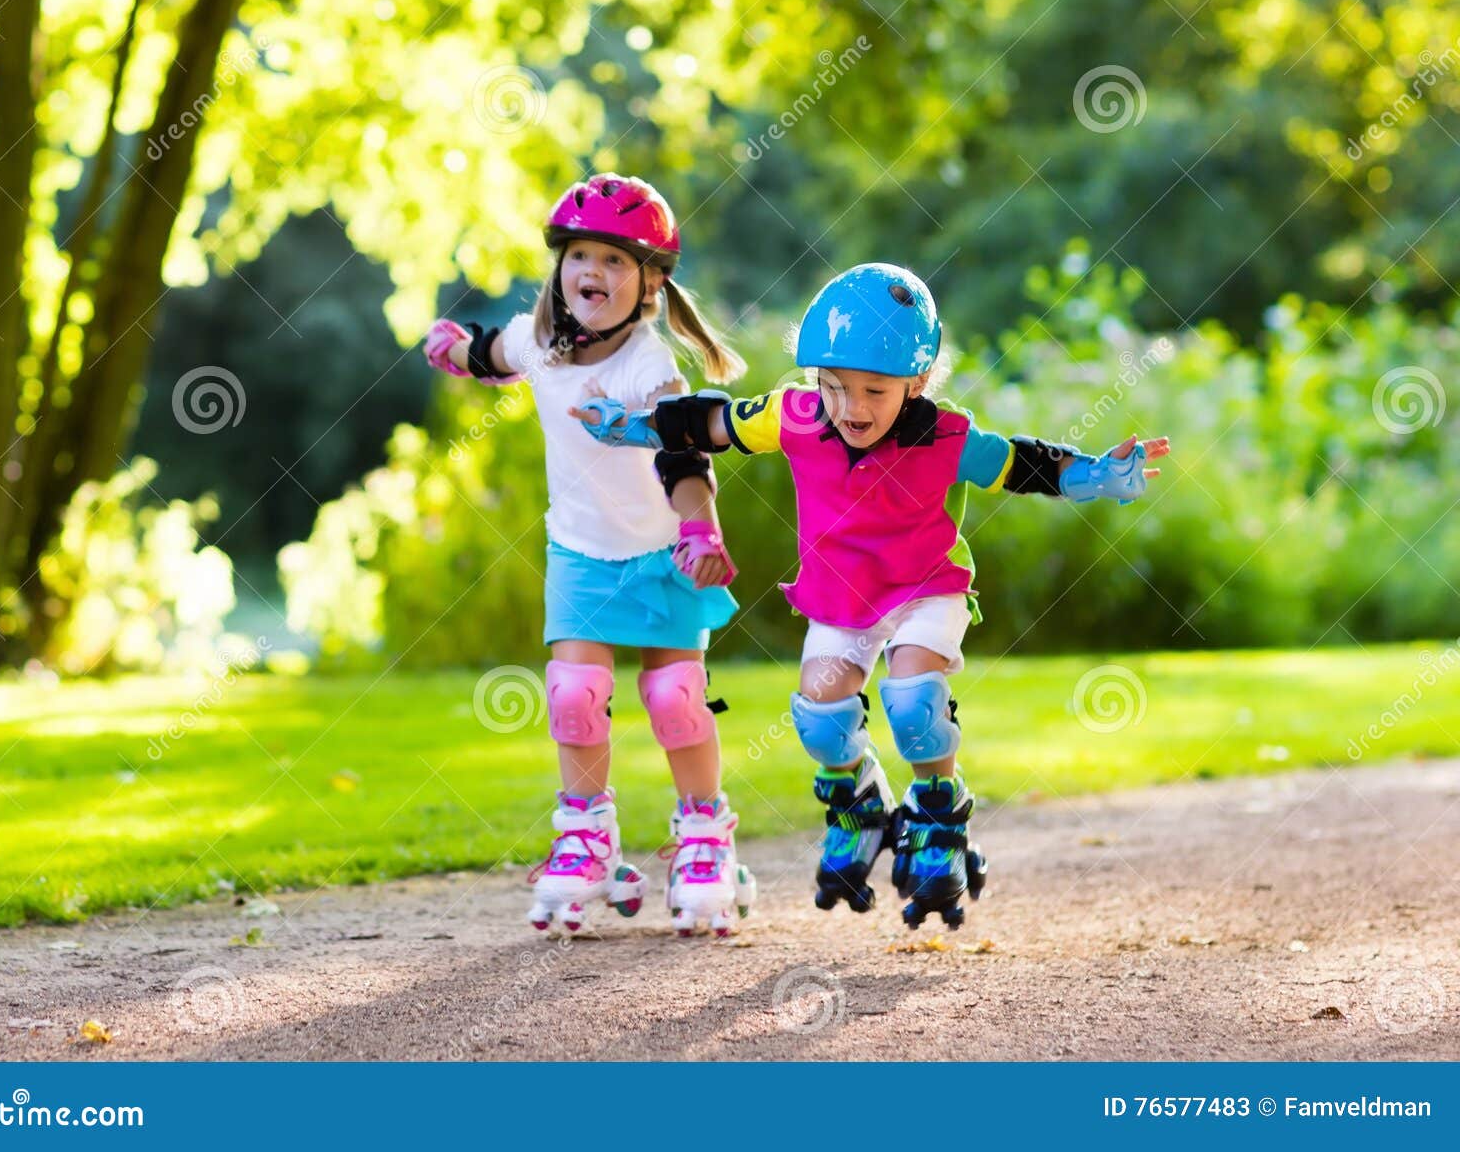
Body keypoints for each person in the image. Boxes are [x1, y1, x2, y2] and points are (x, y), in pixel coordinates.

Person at [573, 262, 1171, 929]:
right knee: (819, 712)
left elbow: (1024, 461)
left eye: (875, 391)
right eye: (834, 387)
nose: (852, 408)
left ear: (917, 381)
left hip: (926, 587)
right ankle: (859, 801)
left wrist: (1093, 475)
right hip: (841, 594)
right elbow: (708, 420)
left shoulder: (947, 437)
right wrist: (631, 426)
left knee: (914, 697)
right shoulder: (795, 417)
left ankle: (938, 812)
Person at [423, 173, 757, 937]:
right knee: (574, 692)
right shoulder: (540, 340)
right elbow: (494, 353)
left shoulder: (650, 366)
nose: (592, 273)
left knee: (676, 698)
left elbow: (682, 457)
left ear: (649, 283)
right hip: (579, 551)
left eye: (614, 259)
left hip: (663, 551)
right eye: (580, 255)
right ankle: (586, 834)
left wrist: (700, 530)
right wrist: (458, 350)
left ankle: (705, 832)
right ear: (559, 266)